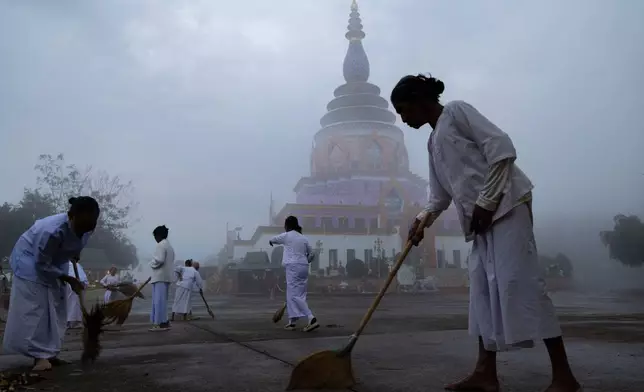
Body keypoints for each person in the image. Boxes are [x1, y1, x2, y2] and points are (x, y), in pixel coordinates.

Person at [390, 74, 581, 392]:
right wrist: (421, 220)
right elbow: (439, 196)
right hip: (480, 222)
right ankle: (485, 374)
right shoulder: (432, 141)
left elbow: (502, 148)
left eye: (404, 109)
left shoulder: (457, 112)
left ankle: (565, 377)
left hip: (507, 207)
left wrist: (487, 201)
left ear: (420, 99)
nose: (404, 119)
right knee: (480, 293)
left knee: (521, 285)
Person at [3, 197, 99, 371]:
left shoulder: (86, 228)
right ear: (71, 216)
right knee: (38, 308)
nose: (83, 232)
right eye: (80, 228)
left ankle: (50, 352)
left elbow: (76, 243)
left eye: (88, 227)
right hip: (30, 262)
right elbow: (41, 263)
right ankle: (39, 357)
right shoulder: (51, 231)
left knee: (57, 306)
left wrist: (75, 253)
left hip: (55, 260)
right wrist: (68, 278)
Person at [269, 216, 318, 332]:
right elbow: (312, 253)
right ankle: (292, 322)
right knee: (298, 294)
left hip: (293, 267)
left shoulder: (287, 235)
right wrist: (306, 260)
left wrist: (270, 241)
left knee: (294, 295)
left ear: (287, 225)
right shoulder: (303, 238)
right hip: (304, 266)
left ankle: (311, 318)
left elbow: (274, 239)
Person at [148, 225, 175, 331]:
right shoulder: (170, 246)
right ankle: (164, 321)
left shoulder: (160, 245)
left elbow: (159, 260)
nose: (155, 239)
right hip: (166, 276)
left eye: (155, 236)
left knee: (158, 301)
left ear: (159, 235)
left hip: (159, 277)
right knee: (163, 301)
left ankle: (158, 323)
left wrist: (151, 264)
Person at [66, 258, 89, 329]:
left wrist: (82, 283)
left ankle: (77, 321)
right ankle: (70, 322)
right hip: (70, 288)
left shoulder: (77, 265)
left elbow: (83, 278)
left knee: (77, 305)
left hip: (77, 288)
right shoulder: (67, 265)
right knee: (71, 304)